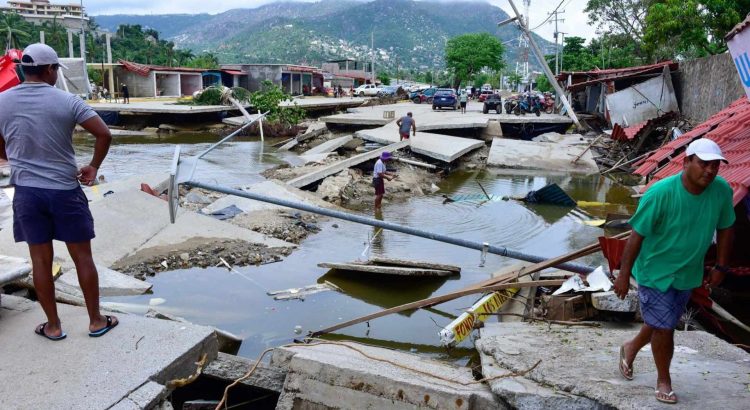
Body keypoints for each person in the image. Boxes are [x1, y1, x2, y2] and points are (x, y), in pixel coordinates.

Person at [0, 43, 117, 341]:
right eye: (55, 70)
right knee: (82, 258)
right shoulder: (67, 101)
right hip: (65, 191)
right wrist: (92, 166)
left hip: (26, 192)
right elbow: (104, 134)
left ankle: (53, 326)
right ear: (50, 69)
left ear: (24, 69)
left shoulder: (2, 101)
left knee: (40, 261)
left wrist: (11, 156)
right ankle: (95, 321)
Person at [613, 138, 735, 405]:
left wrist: (721, 265)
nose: (710, 171)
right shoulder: (660, 193)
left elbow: (726, 227)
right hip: (655, 270)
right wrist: (623, 275)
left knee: (663, 319)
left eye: (715, 165)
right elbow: (636, 236)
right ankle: (663, 380)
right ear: (686, 162)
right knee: (665, 327)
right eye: (704, 164)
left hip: (689, 271)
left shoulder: (721, 191)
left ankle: (631, 347)